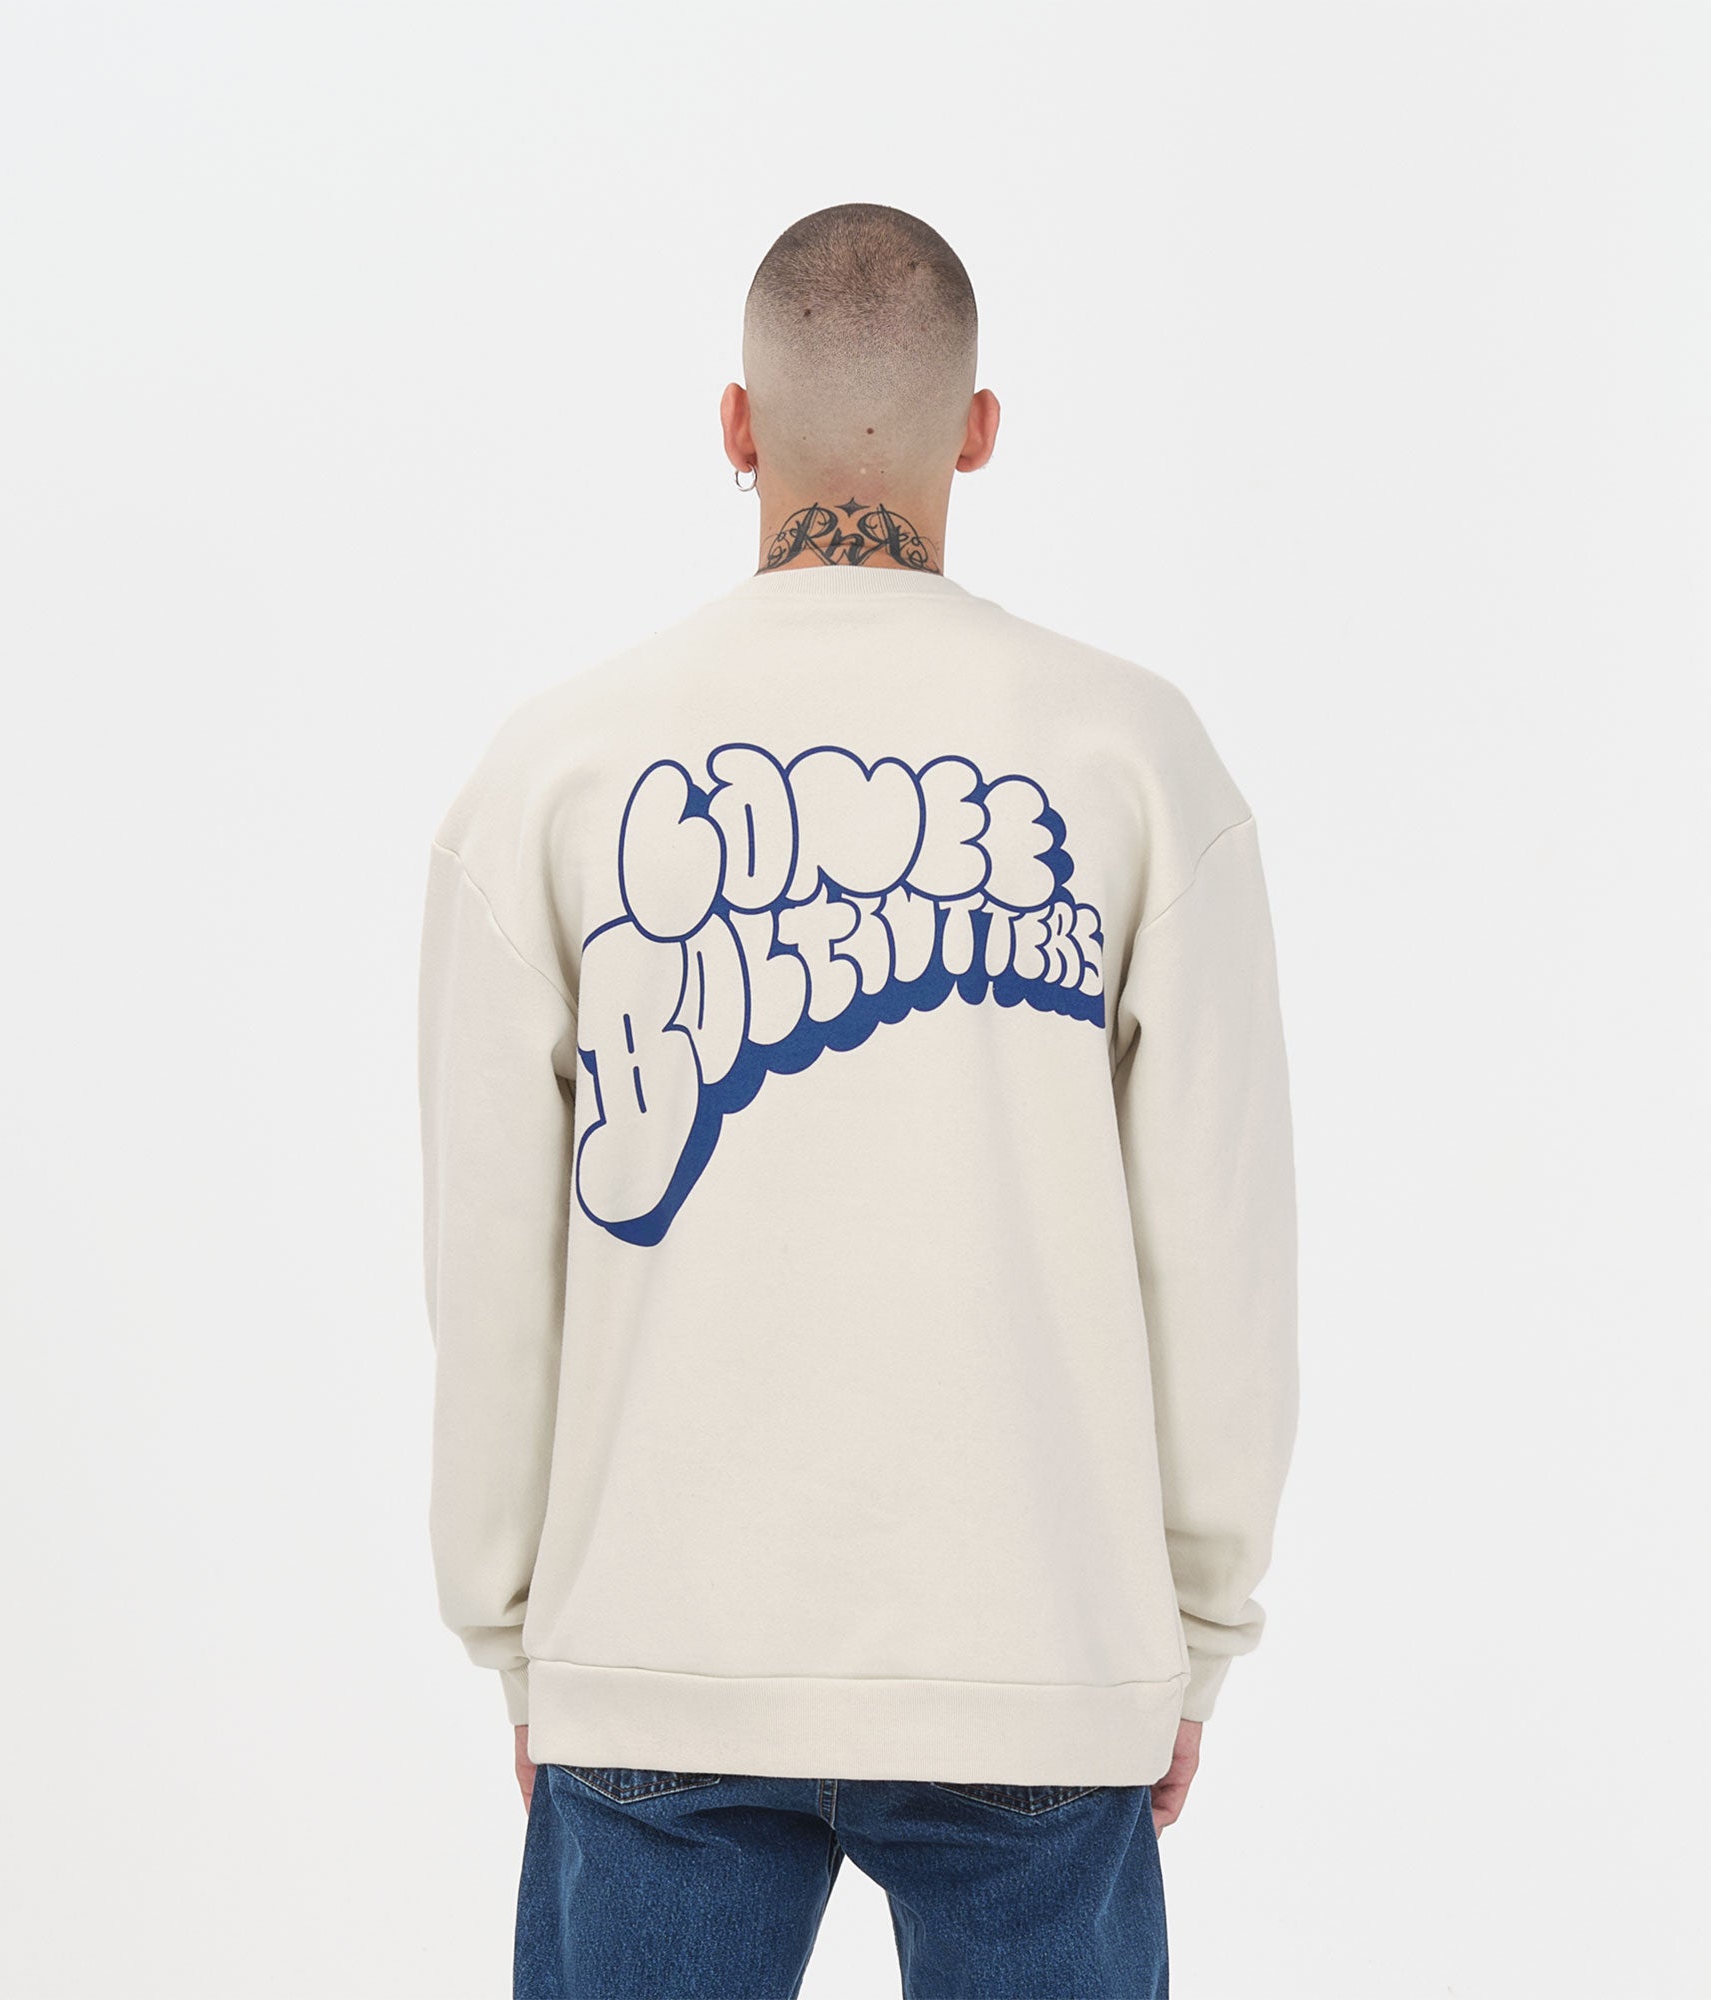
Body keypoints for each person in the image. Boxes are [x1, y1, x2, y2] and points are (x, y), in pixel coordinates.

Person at [417, 202, 1300, 2000]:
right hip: (1039, 1655)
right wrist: (1193, 1628)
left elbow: (489, 1263)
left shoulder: (558, 769)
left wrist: (521, 1636)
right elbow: (1223, 1247)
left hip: (655, 1646)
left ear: (736, 424)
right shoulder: (1132, 758)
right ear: (980, 431)